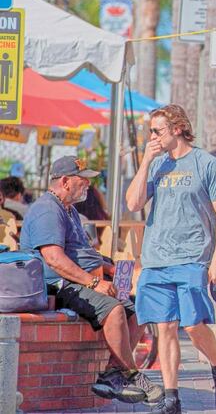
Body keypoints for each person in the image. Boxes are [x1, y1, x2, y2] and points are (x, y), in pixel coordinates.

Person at [21, 156, 162, 405]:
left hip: (80, 280)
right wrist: (94, 283)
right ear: (64, 181)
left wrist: (108, 267)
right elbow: (54, 259)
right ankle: (132, 374)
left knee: (142, 309)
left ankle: (112, 374)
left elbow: (80, 252)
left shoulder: (69, 209)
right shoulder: (47, 209)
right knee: (115, 310)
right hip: (60, 285)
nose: (88, 184)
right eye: (83, 179)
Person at [126, 104, 216, 414]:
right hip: (157, 258)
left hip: (193, 256)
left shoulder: (206, 164)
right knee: (165, 327)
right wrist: (146, 159)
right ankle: (171, 398)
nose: (153, 137)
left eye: (157, 131)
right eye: (151, 131)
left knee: (194, 324)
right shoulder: (157, 164)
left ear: (177, 129)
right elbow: (134, 202)